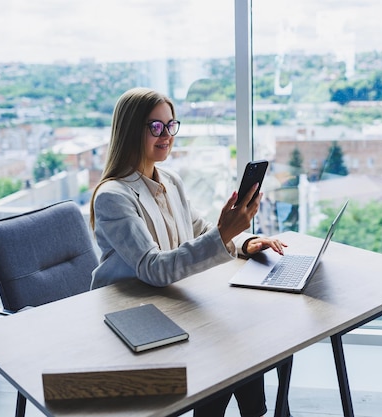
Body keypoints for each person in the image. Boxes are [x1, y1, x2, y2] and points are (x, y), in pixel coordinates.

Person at [89, 87, 287, 417]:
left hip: (169, 302)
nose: (166, 135)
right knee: (227, 350)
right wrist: (225, 233)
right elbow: (154, 269)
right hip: (132, 314)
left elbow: (199, 230)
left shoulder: (170, 179)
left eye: (170, 125)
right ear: (130, 131)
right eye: (155, 127)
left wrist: (242, 242)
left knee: (241, 343)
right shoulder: (113, 196)